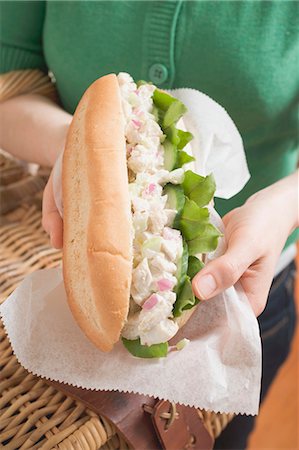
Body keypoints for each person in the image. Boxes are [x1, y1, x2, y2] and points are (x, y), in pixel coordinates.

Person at [0, 2, 298, 448]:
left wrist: (283, 207)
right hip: (51, 253)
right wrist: (75, 147)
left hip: (255, 291)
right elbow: (10, 83)